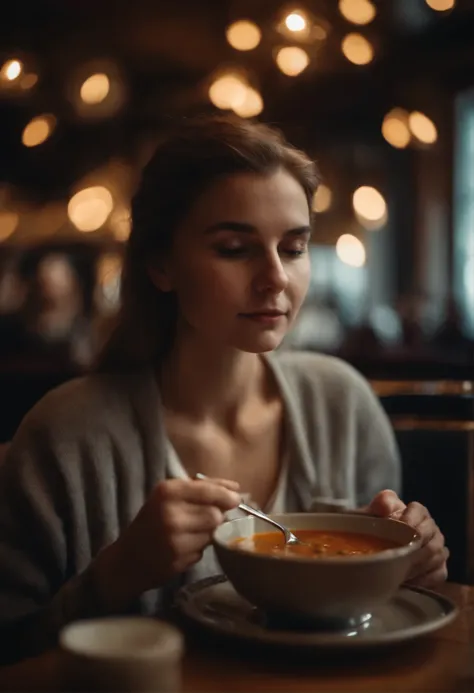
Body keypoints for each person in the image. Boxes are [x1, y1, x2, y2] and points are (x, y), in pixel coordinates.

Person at [0, 115, 448, 683]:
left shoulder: (344, 404)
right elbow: (11, 649)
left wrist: (409, 568)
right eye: (235, 249)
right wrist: (116, 575)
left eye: (293, 247)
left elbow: (373, 627)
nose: (275, 279)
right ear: (161, 264)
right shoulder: (65, 433)